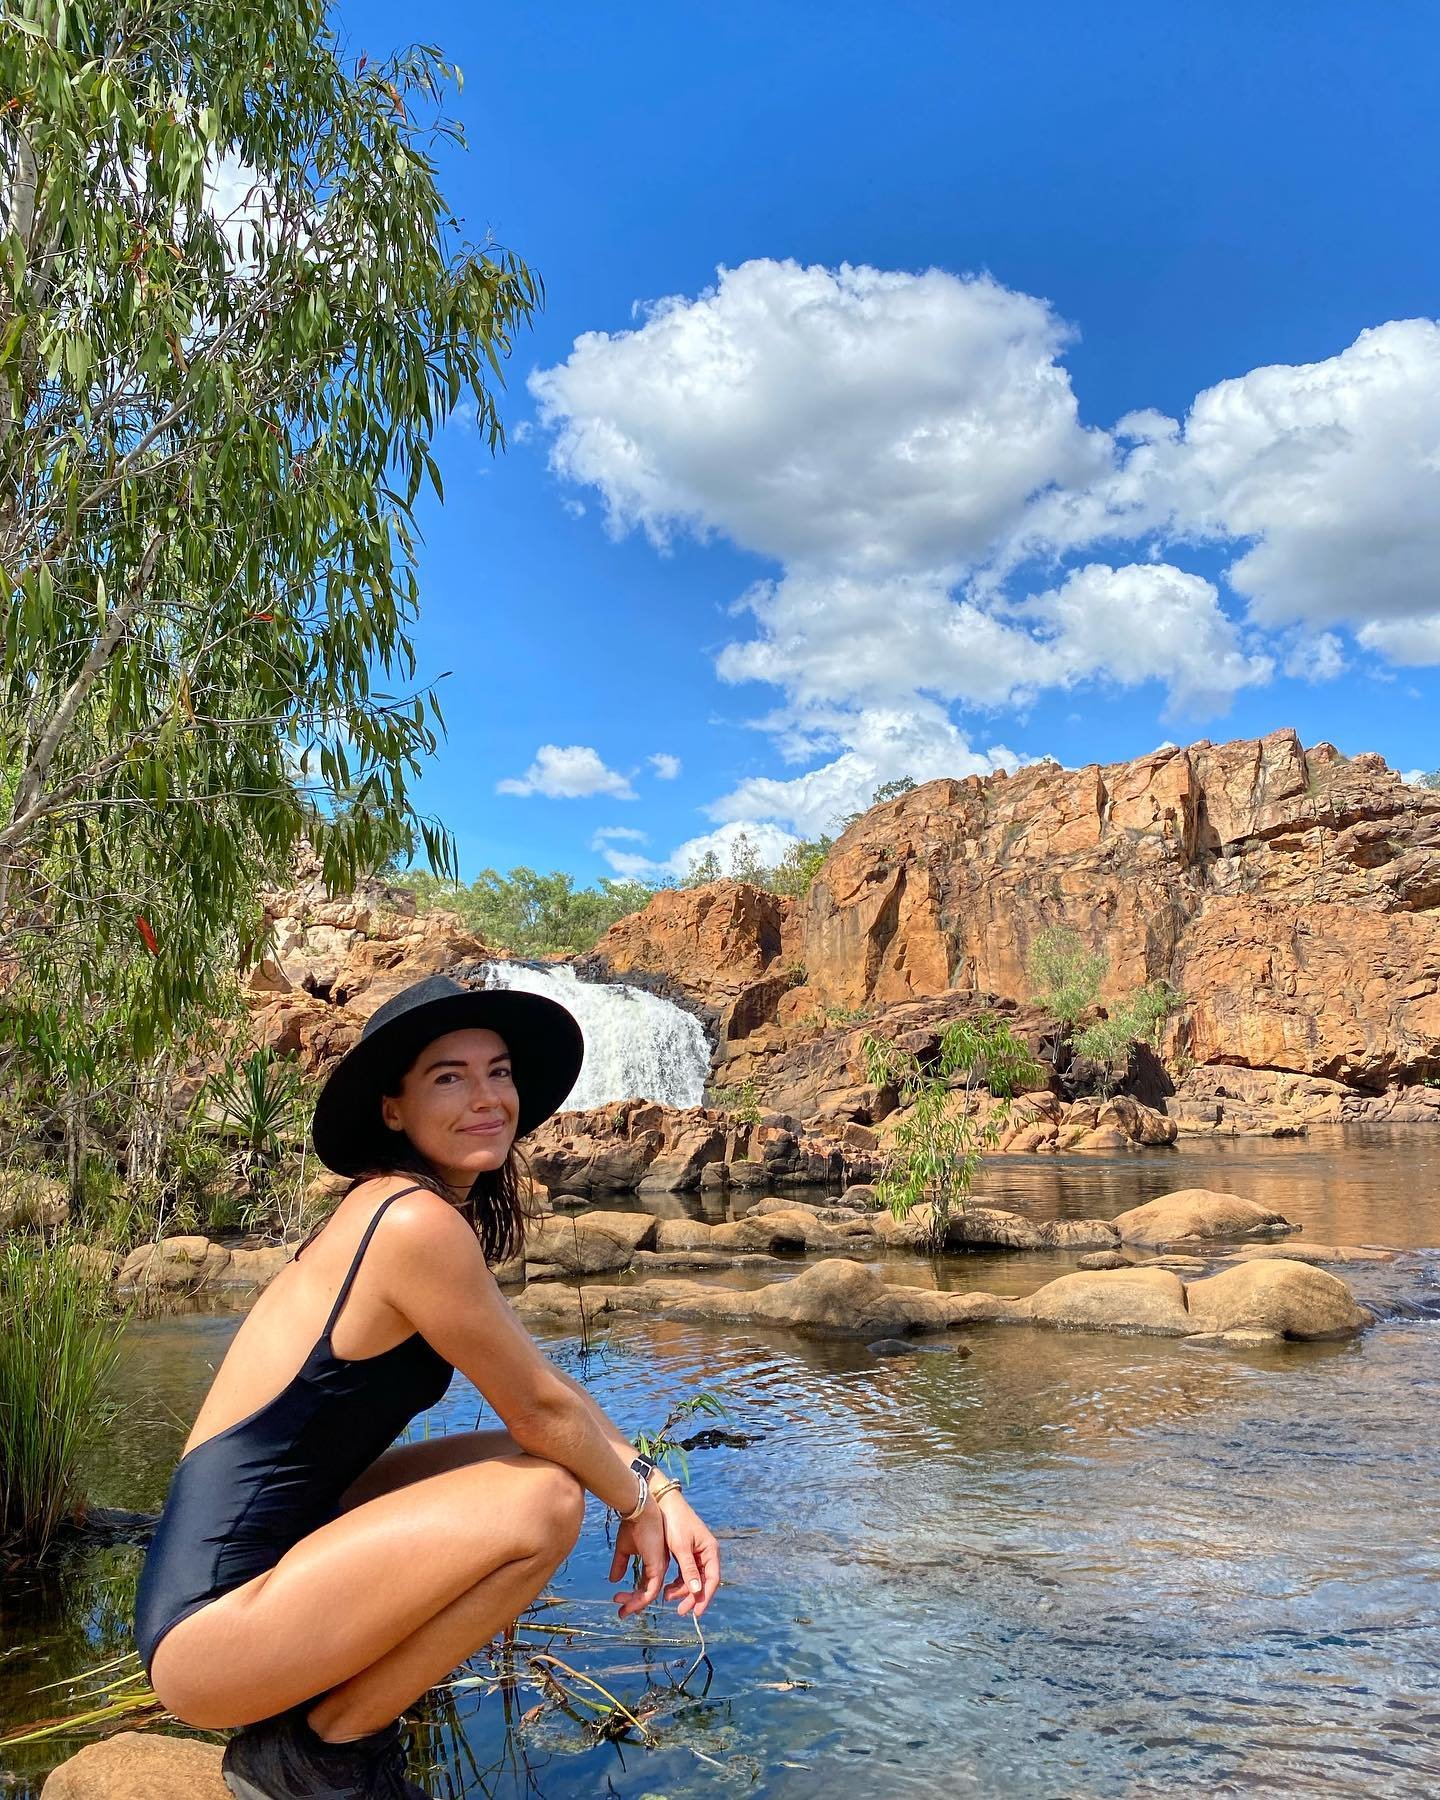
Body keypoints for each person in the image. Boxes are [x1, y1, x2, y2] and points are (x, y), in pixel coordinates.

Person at [133, 974, 722, 1800]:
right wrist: (636, 1502)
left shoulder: (401, 1208)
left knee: (534, 1459)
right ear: (392, 1109)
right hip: (213, 1633)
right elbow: (541, 1410)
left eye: (500, 1071)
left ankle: (321, 1734)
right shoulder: (408, 1221)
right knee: (545, 1500)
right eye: (450, 1076)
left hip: (266, 1589)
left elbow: (542, 1389)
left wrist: (653, 1482)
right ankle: (321, 1752)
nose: (488, 1097)